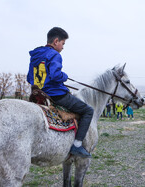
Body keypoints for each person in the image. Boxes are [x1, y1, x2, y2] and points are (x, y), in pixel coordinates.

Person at [27, 27, 94, 158]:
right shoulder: (55, 55)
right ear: (56, 41)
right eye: (63, 43)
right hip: (56, 95)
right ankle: (77, 145)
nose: (63, 47)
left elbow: (29, 78)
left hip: (38, 94)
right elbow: (56, 75)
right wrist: (64, 76)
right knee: (88, 111)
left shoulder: (35, 55)